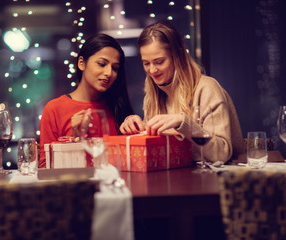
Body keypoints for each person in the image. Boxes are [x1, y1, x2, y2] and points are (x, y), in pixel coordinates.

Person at [120, 22, 245, 163]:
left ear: (178, 54)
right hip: (176, 179)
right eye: (146, 63)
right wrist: (137, 128)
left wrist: (185, 124)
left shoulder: (207, 88)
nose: (152, 70)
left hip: (216, 180)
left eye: (159, 62)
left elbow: (221, 154)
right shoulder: (151, 97)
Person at [39, 33, 134, 168]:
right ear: (81, 63)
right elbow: (45, 167)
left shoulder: (117, 107)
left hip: (114, 186)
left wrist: (136, 128)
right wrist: (75, 137)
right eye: (101, 64)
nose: (108, 73)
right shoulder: (54, 109)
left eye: (115, 68)